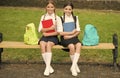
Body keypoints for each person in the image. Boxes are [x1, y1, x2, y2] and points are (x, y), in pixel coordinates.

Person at [38, 0, 62, 76]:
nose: (50, 8)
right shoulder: (43, 16)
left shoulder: (57, 18)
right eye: (48, 7)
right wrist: (50, 28)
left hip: (53, 37)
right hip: (44, 36)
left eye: (52, 7)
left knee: (48, 45)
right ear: (46, 7)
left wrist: (47, 33)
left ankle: (47, 67)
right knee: (42, 44)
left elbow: (59, 31)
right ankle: (48, 67)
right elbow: (40, 29)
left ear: (54, 8)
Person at [58, 2, 82, 76]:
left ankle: (73, 66)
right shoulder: (61, 18)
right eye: (66, 9)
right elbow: (61, 33)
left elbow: (78, 31)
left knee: (79, 45)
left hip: (73, 37)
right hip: (64, 39)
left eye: (69, 9)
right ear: (63, 9)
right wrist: (71, 32)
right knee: (71, 46)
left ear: (72, 10)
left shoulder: (75, 18)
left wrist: (71, 35)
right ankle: (75, 66)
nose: (68, 11)